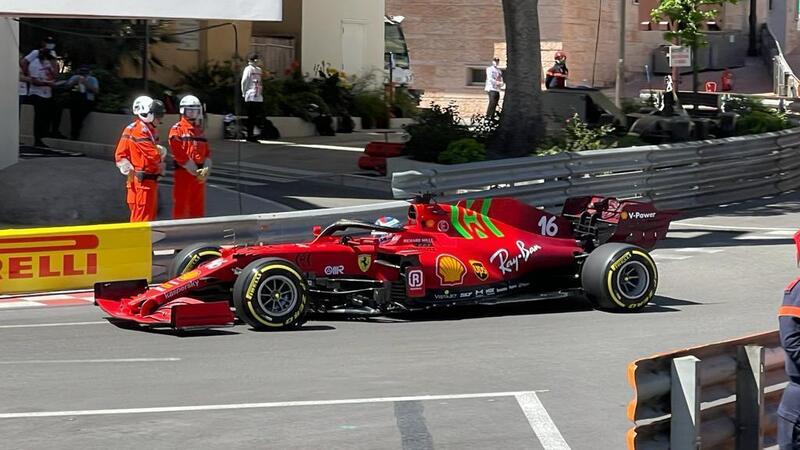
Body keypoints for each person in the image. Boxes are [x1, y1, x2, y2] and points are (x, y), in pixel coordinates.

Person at [114, 96, 166, 222]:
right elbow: (153, 156)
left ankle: (137, 240)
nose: (159, 119)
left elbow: (120, 155)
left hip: (139, 180)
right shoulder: (141, 131)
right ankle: (137, 241)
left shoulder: (135, 128)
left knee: (140, 217)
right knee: (143, 220)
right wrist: (161, 153)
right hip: (144, 181)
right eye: (157, 115)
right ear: (147, 113)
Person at [169, 95, 212, 219]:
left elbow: (207, 152)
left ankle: (197, 234)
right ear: (183, 110)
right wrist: (192, 168)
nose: (192, 113)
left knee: (197, 206)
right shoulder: (177, 129)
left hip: (199, 174)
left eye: (195, 110)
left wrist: (207, 168)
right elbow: (178, 152)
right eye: (189, 110)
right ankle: (178, 234)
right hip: (183, 173)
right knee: (181, 205)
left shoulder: (199, 131)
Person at [26, 48, 57, 148]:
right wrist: (47, 83)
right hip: (37, 93)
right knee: (39, 117)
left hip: (47, 93)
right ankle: (37, 139)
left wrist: (51, 68)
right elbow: (34, 81)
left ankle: (42, 136)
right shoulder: (35, 64)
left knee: (45, 116)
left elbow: (54, 75)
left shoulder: (47, 64)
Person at [66, 65, 99, 140]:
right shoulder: (75, 77)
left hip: (87, 100)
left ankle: (75, 133)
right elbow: (67, 86)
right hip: (75, 98)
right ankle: (73, 133)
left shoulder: (92, 79)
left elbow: (96, 91)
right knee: (74, 116)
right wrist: (74, 82)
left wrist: (85, 83)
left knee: (80, 116)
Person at [241, 53, 264, 142]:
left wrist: (243, 92)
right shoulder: (258, 70)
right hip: (257, 95)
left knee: (251, 116)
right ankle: (252, 134)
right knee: (254, 116)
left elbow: (244, 81)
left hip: (251, 95)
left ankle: (250, 135)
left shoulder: (249, 69)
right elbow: (260, 82)